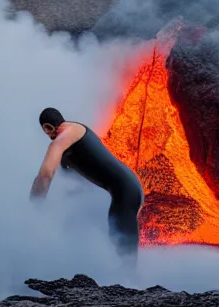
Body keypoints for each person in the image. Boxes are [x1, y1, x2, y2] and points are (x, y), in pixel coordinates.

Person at [30, 107, 144, 263]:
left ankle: (131, 283)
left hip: (125, 191)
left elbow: (45, 176)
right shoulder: (73, 137)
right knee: (114, 241)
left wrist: (33, 210)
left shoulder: (64, 137)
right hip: (126, 188)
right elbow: (78, 181)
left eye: (48, 132)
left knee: (123, 250)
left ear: (47, 128)